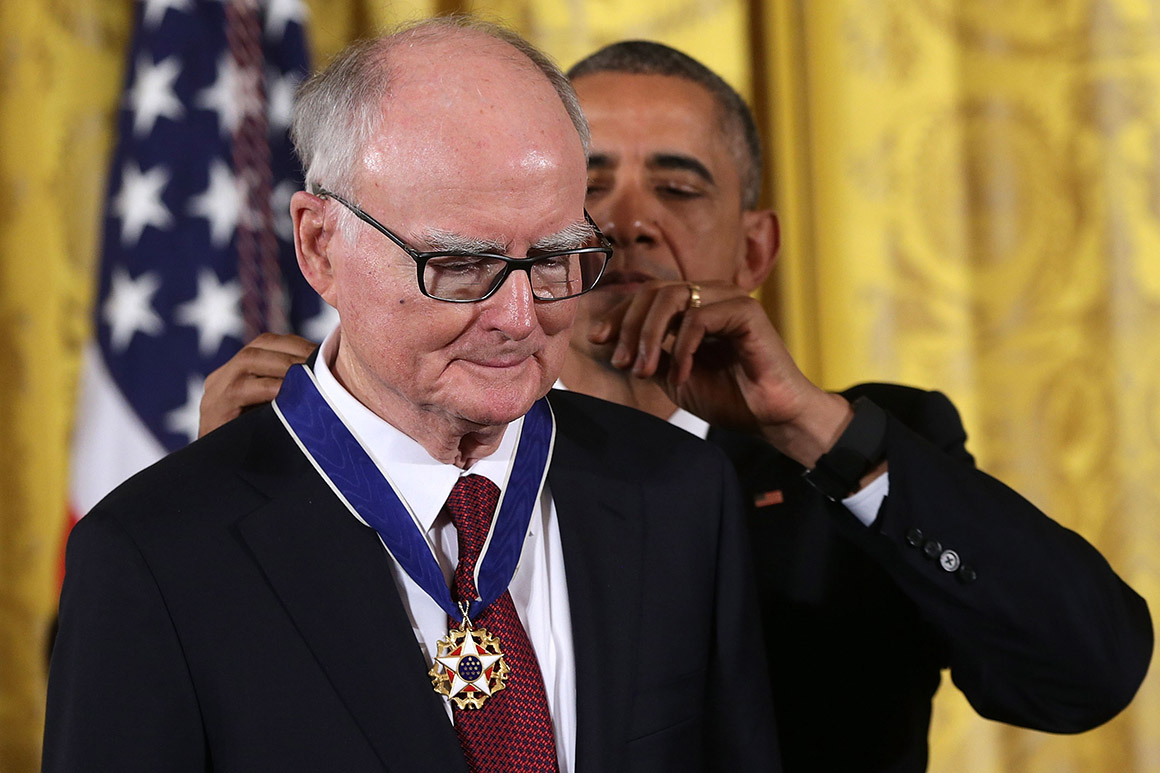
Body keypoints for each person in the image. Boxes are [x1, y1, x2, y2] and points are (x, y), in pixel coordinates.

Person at [199, 40, 1155, 772]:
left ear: (753, 251)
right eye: (588, 185)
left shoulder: (849, 452)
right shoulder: (353, 448)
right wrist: (245, 499)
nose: (624, 220)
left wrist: (810, 427)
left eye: (678, 183)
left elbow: (1086, 674)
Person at [43, 21, 780, 772]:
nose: (521, 319)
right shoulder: (154, 553)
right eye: (461, 264)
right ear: (320, 245)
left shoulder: (679, 490)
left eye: (557, 256)